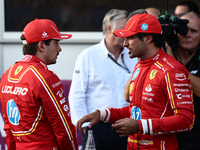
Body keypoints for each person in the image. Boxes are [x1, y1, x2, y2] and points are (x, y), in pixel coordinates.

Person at [76, 13, 195, 150]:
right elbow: (137, 110)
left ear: (148, 38)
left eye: (130, 38)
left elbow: (186, 120)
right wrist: (102, 114)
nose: (125, 43)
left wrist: (139, 126)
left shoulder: (171, 70)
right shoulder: (139, 66)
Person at [0, 18, 78, 150]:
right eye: (56, 43)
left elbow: (8, 129)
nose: (59, 49)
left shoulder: (7, 75)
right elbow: (63, 129)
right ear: (41, 46)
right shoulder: (46, 78)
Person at [68, 9, 138, 150]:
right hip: (98, 126)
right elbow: (77, 94)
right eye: (122, 29)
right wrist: (86, 127)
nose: (126, 34)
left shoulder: (134, 55)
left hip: (127, 126)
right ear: (109, 28)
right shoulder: (88, 56)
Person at [166, 12, 200, 150]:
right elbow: (128, 94)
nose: (187, 35)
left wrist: (174, 65)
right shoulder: (165, 53)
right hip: (166, 134)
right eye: (184, 30)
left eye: (194, 31)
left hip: (196, 137)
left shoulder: (170, 58)